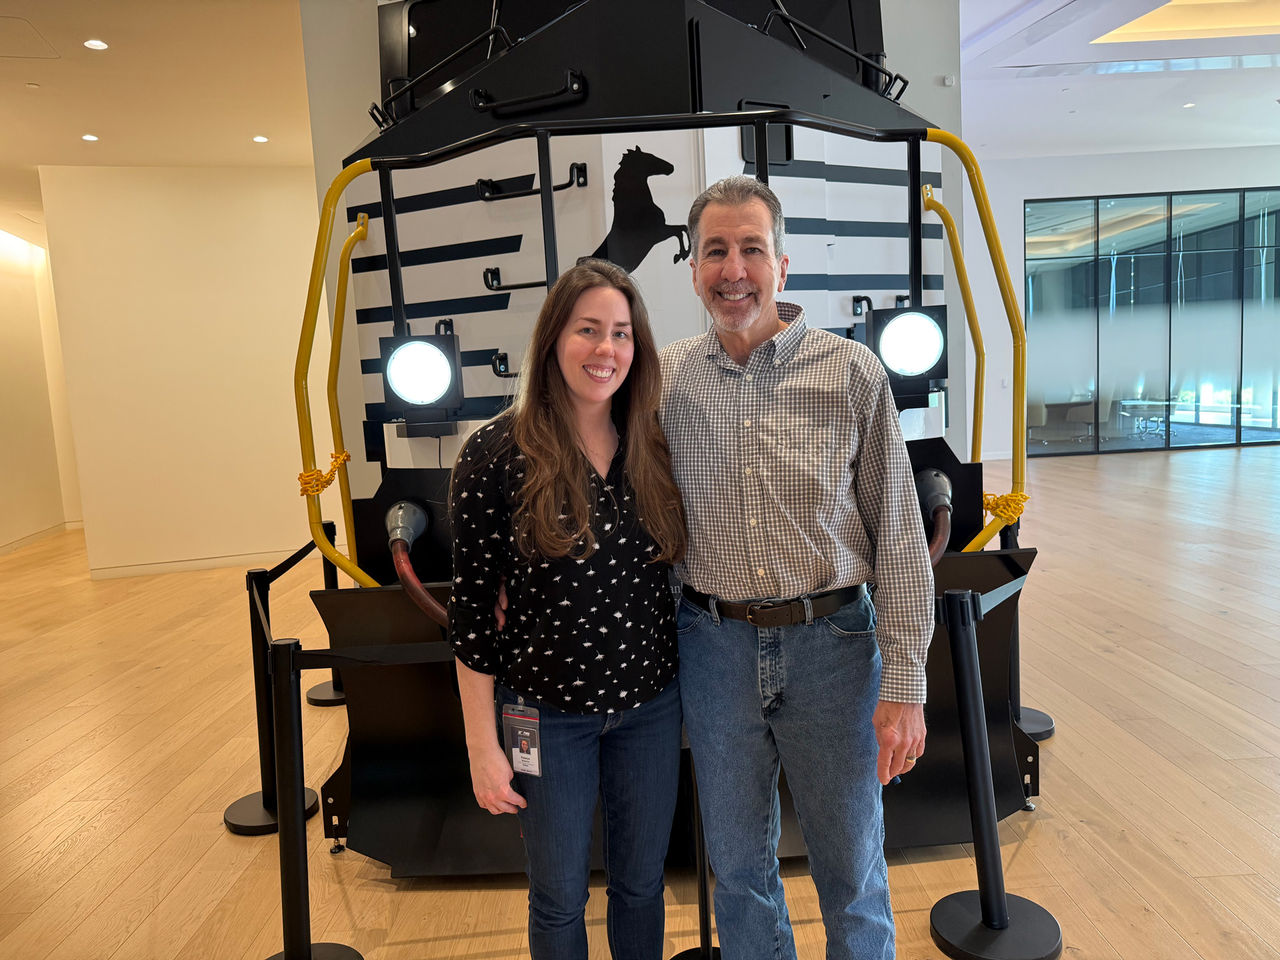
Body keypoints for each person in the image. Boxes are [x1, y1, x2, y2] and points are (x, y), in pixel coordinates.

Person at [659, 176, 935, 960]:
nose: (733, 269)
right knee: (740, 871)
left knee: (852, 870)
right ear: (694, 269)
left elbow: (902, 541)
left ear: (784, 263)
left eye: (751, 249)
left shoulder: (851, 373)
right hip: (714, 649)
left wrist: (906, 685)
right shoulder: (668, 380)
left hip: (835, 648)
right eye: (716, 251)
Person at [449, 259, 688, 960]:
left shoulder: (655, 446)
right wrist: (481, 747)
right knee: (558, 899)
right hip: (544, 717)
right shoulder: (495, 454)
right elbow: (469, 623)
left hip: (649, 708)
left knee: (642, 886)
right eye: (588, 330)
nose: (605, 350)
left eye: (620, 333)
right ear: (554, 338)